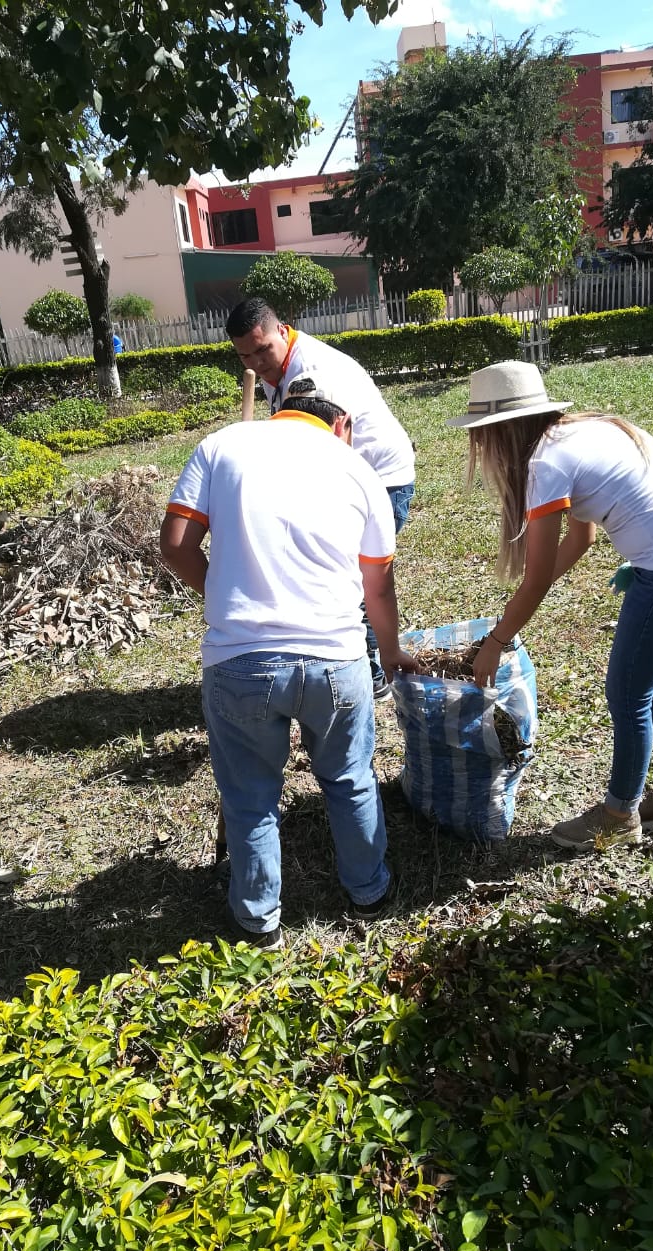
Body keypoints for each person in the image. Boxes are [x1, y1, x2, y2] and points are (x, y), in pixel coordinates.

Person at [160, 369, 420, 948]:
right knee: (350, 777)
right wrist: (393, 649)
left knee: (251, 795)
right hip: (336, 658)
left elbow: (175, 546)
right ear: (342, 424)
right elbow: (377, 586)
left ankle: (259, 924)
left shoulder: (221, 444)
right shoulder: (358, 469)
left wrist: (228, 598)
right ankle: (369, 892)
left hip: (238, 662)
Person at [450, 360, 653, 852]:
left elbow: (536, 576)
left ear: (498, 432)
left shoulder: (543, 464)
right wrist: (520, 606)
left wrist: (497, 639)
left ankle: (620, 813)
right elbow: (578, 541)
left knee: (628, 694)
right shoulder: (585, 430)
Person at [225, 296, 416, 701]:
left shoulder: (313, 372)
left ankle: (370, 673)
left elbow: (330, 448)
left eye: (262, 350)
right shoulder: (272, 366)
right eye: (246, 356)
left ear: (282, 329)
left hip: (378, 476)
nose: (257, 363)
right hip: (339, 472)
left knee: (356, 578)